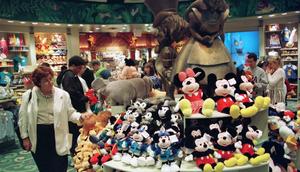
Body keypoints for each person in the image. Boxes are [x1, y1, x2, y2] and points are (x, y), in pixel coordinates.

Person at [18, 66, 91, 172]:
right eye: (45, 81)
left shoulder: (63, 95)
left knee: (60, 167)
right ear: (38, 84)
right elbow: (22, 118)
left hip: (59, 133)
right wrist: (25, 137)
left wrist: (80, 116)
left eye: (50, 78)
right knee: (44, 168)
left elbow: (70, 113)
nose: (50, 82)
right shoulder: (28, 96)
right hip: (39, 137)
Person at [56, 55, 90, 156]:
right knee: (74, 133)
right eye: (79, 68)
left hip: (71, 109)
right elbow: (71, 92)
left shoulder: (67, 75)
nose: (80, 70)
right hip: (73, 109)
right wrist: (83, 98)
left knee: (72, 132)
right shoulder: (69, 76)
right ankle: (74, 153)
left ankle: (73, 152)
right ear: (73, 66)